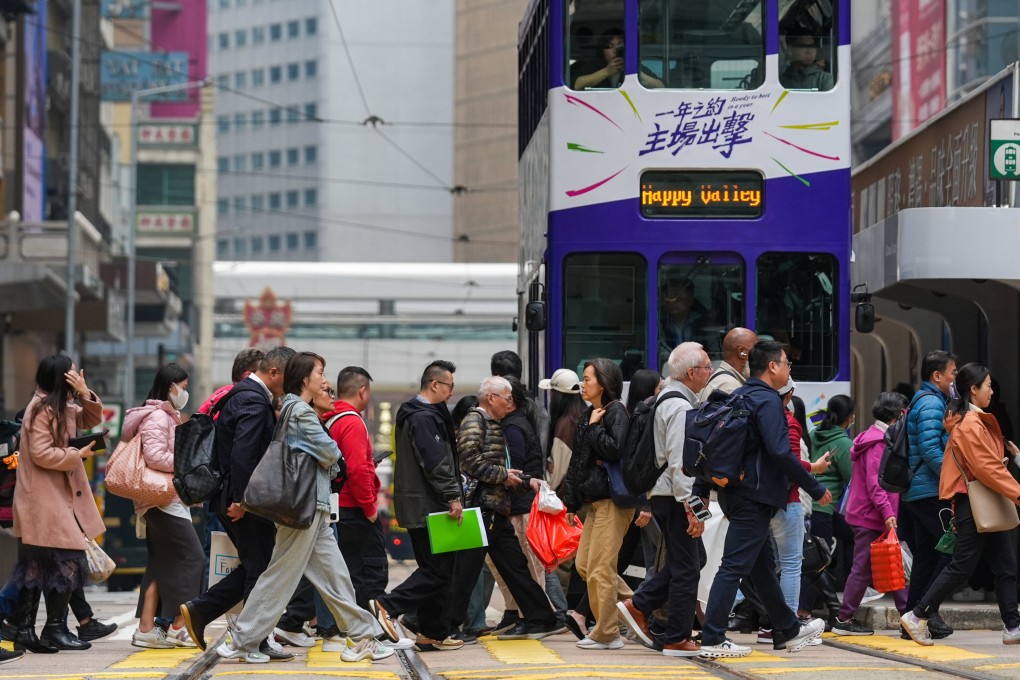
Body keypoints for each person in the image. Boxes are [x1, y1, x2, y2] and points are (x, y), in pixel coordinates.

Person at [216, 352, 401, 664]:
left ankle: (363, 636)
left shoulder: (293, 408)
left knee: (335, 575)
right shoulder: (300, 411)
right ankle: (243, 638)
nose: (325, 380)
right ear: (305, 380)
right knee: (281, 574)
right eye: (320, 373)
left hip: (313, 507)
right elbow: (331, 453)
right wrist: (332, 461)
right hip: (303, 508)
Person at [698, 340, 831, 659]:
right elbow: (780, 451)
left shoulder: (742, 395)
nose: (788, 369)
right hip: (755, 498)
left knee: (761, 570)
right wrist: (814, 487)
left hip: (737, 494)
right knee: (732, 567)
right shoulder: (768, 401)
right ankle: (713, 636)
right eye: (786, 363)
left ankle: (787, 628)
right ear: (772, 367)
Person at [180, 346, 297, 660]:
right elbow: (243, 455)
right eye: (289, 377)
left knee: (257, 565)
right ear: (273, 373)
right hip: (243, 501)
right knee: (260, 568)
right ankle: (252, 642)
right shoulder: (253, 401)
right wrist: (243, 501)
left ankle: (202, 611)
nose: (290, 384)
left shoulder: (244, 395)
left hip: (237, 498)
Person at [901, 363, 1020, 646]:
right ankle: (917, 616)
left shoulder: (971, 421)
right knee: (961, 566)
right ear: (973, 389)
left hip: (984, 502)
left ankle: (1013, 627)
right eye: (988, 385)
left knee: (1005, 566)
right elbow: (986, 467)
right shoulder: (969, 425)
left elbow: (985, 465)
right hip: (975, 504)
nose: (992, 391)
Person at [446, 376, 560, 641]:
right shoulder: (475, 420)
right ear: (491, 398)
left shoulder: (491, 422)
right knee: (467, 569)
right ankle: (447, 626)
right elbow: (470, 460)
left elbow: (500, 469)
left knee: (515, 565)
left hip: (495, 507)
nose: (510, 404)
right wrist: (503, 476)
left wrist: (524, 480)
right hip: (481, 508)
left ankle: (542, 618)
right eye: (507, 399)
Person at [616, 342, 711, 657]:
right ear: (691, 372)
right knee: (687, 566)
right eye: (707, 367)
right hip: (674, 495)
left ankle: (639, 604)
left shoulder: (670, 399)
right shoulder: (679, 406)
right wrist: (693, 507)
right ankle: (676, 637)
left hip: (665, 494)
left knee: (694, 559)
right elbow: (680, 460)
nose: (710, 373)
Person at [5, 356, 103, 653]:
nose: (75, 376)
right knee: (70, 556)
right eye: (71, 373)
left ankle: (25, 630)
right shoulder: (42, 409)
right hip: (42, 501)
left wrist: (85, 392)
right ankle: (54, 628)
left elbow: (91, 418)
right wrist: (77, 456)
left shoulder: (57, 406)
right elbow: (42, 453)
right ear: (60, 377)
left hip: (50, 499)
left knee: (35, 565)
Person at [368, 360, 466, 652]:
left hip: (422, 504)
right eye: (449, 386)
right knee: (438, 570)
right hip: (429, 506)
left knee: (438, 568)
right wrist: (453, 496)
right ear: (435, 384)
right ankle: (388, 605)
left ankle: (431, 630)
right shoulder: (423, 418)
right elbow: (435, 461)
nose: (451, 392)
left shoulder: (418, 413)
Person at [122, 363, 201, 649]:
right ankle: (180, 625)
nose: (186, 391)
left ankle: (146, 628)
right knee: (193, 558)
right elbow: (155, 456)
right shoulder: (158, 416)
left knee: (160, 564)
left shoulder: (166, 415)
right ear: (171, 387)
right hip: (162, 499)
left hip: (160, 499)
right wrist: (186, 462)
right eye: (184, 385)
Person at [561, 358, 633, 650]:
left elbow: (615, 450)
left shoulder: (616, 412)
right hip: (594, 502)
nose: (583, 383)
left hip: (612, 503)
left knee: (600, 568)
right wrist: (570, 502)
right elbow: (579, 461)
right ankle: (638, 607)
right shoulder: (592, 412)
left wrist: (593, 429)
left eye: (588, 378)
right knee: (584, 565)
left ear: (603, 382)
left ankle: (607, 632)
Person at [834, 392, 910, 636]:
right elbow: (877, 484)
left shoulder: (871, 437)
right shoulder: (879, 442)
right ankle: (844, 619)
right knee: (867, 568)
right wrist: (888, 513)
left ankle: (908, 618)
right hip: (872, 516)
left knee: (891, 564)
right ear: (898, 415)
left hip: (870, 514)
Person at [485, 376, 553, 636]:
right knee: (515, 565)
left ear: (509, 400)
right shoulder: (511, 423)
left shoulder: (513, 427)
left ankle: (533, 617)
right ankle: (517, 613)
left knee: (529, 565)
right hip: (516, 505)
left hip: (522, 506)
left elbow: (517, 467)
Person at [902, 350, 958, 639]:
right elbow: (931, 450)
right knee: (952, 550)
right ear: (937, 376)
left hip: (918, 492)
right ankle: (925, 612)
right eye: (952, 374)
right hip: (929, 491)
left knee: (926, 555)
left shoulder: (925, 401)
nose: (954, 379)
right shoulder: (932, 405)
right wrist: (952, 479)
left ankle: (914, 617)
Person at [322, 367, 387, 610]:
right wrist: (370, 508)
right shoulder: (352, 421)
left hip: (337, 508)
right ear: (362, 391)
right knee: (370, 573)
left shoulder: (330, 419)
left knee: (347, 572)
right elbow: (358, 469)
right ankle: (373, 628)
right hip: (355, 509)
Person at [799, 394, 855, 622]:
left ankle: (825, 599)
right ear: (850, 418)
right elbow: (852, 477)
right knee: (816, 560)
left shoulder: (813, 433)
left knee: (845, 537)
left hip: (811, 504)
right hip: (823, 506)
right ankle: (803, 609)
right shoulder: (843, 443)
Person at [571, 28, 663, 90]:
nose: (614, 50)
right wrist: (607, 71)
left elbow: (660, 86)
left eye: (619, 45)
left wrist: (636, 73)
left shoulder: (635, 66)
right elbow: (577, 84)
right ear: (602, 50)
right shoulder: (592, 66)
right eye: (609, 46)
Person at [539, 369, 584, 493]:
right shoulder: (584, 415)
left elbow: (556, 475)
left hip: (568, 501)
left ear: (558, 396)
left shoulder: (566, 425)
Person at [198, 348, 265, 415]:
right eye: (263, 374)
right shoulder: (245, 402)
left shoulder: (219, 395)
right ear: (248, 376)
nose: (267, 379)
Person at [697, 327, 758, 400]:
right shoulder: (730, 387)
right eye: (755, 350)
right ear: (742, 352)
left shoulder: (723, 378)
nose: (759, 356)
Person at [658, 280, 708, 367]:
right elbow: (658, 352)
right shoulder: (659, 325)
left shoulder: (705, 324)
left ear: (690, 300)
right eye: (668, 298)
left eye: (678, 298)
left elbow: (715, 354)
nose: (672, 302)